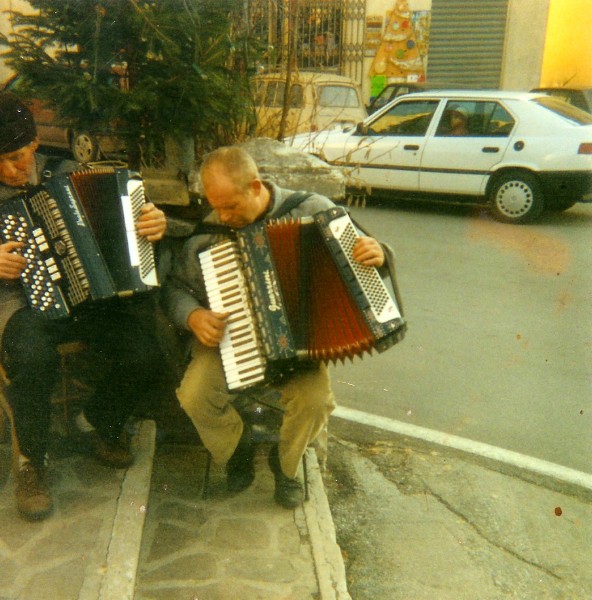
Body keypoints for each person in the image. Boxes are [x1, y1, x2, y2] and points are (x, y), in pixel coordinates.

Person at [161, 146, 386, 509]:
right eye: (216, 205)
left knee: (314, 402)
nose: (222, 215)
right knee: (194, 394)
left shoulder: (313, 210)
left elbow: (369, 254)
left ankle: (287, 466)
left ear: (254, 186)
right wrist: (193, 316)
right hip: (232, 341)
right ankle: (236, 450)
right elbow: (175, 289)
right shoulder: (210, 231)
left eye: (230, 206)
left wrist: (380, 253)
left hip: (300, 346)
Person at [0, 91, 167, 521]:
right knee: (31, 356)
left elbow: (133, 215)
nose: (17, 168)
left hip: (86, 302)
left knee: (147, 351)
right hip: (22, 307)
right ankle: (31, 462)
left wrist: (151, 219)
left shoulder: (64, 172)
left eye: (24, 155)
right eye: (5, 159)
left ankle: (99, 422)